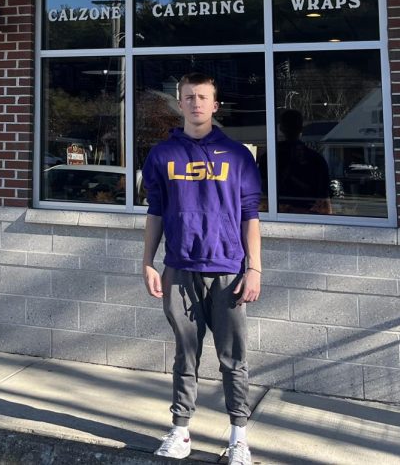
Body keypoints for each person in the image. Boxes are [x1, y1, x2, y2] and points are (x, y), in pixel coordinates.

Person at [141, 73, 261, 464]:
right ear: (180, 103)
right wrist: (148, 262)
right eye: (189, 97)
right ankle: (180, 431)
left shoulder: (239, 155)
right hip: (179, 268)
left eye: (203, 97)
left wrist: (254, 268)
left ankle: (239, 438)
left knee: (233, 359)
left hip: (228, 270)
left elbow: (250, 216)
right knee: (185, 356)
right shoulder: (162, 155)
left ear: (215, 105)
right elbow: (155, 212)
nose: (195, 103)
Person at [276, 108, 333, 215]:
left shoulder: (271, 158)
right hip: (309, 217)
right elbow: (325, 202)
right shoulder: (317, 160)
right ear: (301, 128)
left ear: (281, 128)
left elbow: (262, 195)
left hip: (279, 215)